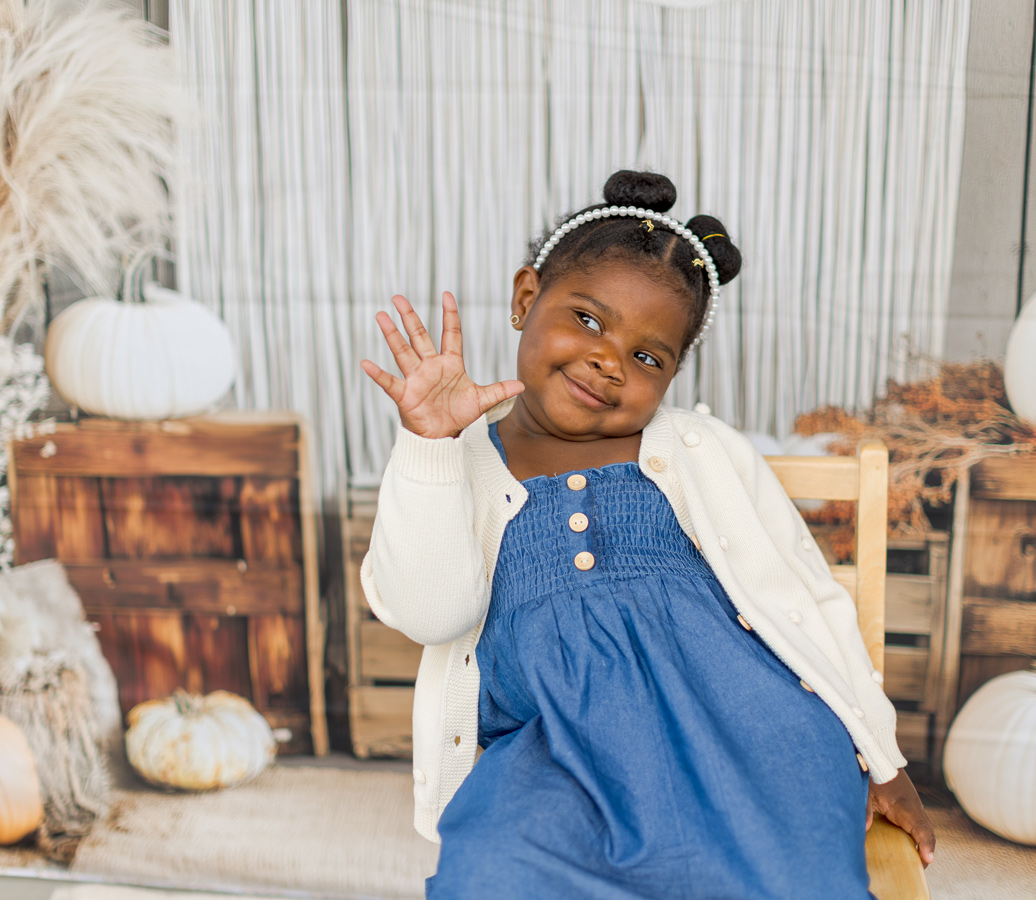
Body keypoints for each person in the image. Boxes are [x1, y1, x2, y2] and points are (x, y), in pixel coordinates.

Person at [359, 170, 935, 899]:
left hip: (746, 729)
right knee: (492, 872)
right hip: (553, 748)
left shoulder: (700, 449)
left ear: (671, 376)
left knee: (784, 873)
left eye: (647, 357)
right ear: (525, 298)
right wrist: (429, 445)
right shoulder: (453, 459)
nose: (608, 360)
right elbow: (428, 612)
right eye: (590, 321)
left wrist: (884, 759)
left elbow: (804, 595)